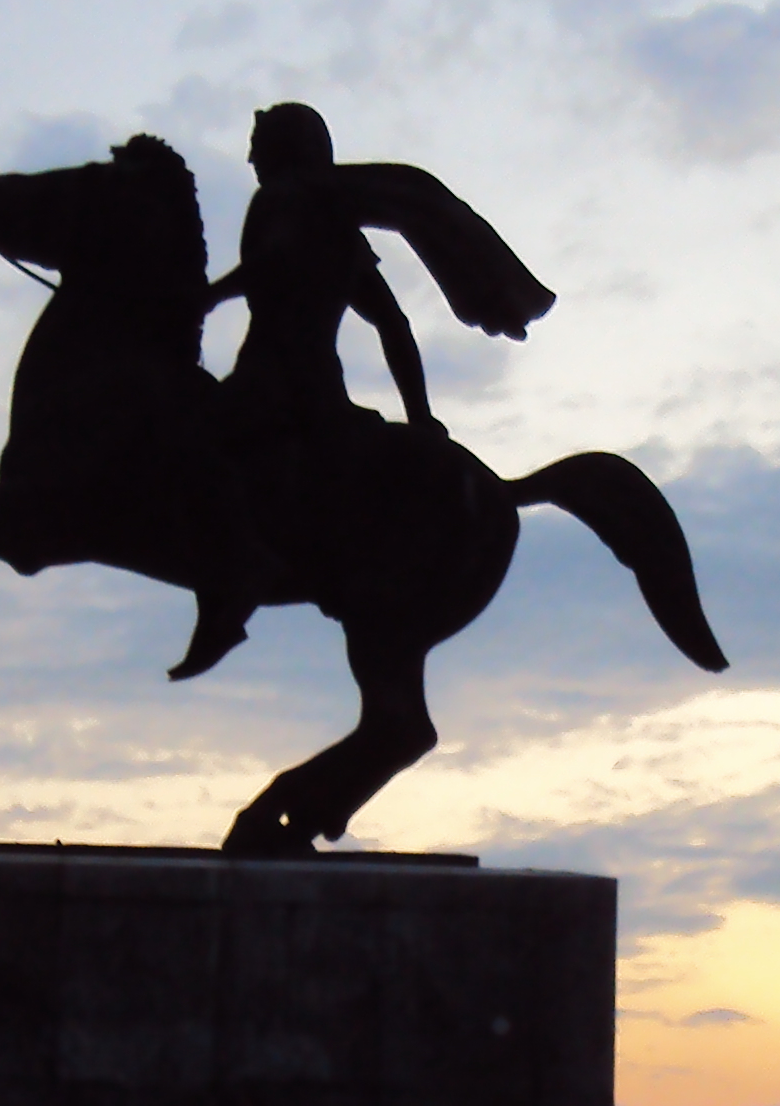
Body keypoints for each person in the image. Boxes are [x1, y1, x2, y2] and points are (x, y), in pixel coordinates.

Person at [171, 102, 555, 680]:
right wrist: (420, 414)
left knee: (185, 447)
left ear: (283, 148)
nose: (250, 157)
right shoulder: (337, 229)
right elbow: (393, 325)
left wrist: (203, 298)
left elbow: (269, 267)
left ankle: (234, 583)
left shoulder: (280, 200)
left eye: (258, 144)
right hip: (320, 390)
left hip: (271, 382)